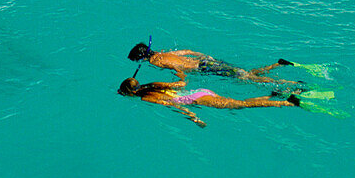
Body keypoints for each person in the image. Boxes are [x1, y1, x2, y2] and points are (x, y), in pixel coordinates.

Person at [117, 76, 298, 127]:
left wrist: (193, 118)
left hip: (196, 100)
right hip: (199, 92)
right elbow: (180, 83)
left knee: (242, 105)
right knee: (239, 102)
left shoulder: (146, 97)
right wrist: (180, 73)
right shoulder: (151, 85)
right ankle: (274, 96)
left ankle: (287, 102)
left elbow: (173, 104)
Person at [127, 42, 293, 82]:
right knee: (243, 72)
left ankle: (285, 84)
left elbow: (174, 66)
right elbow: (187, 52)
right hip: (204, 60)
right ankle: (276, 65)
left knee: (245, 77)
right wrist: (202, 55)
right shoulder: (165, 52)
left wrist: (182, 78)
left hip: (204, 67)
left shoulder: (155, 61)